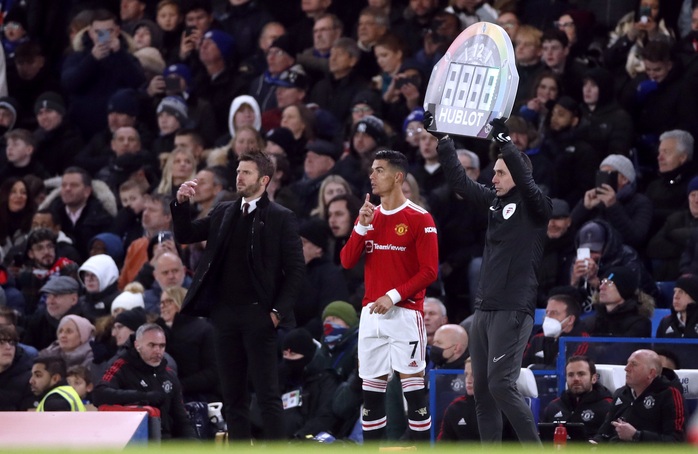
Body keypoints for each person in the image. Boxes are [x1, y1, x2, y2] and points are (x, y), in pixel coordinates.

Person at [427, 113, 550, 443]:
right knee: (482, 390)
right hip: (484, 309)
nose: (492, 177)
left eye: (499, 172)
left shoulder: (538, 207)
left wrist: (506, 145)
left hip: (513, 308)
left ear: (518, 174)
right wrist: (444, 142)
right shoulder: (496, 204)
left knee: (499, 385)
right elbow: (461, 185)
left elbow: (527, 183)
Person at [172, 150, 305, 441]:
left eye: (246, 172)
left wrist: (276, 314)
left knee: (268, 395)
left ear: (264, 180)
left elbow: (295, 271)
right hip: (224, 316)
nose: (239, 177)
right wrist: (180, 204)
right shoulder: (223, 211)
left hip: (260, 315)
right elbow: (186, 234)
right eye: (238, 171)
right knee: (233, 396)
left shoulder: (282, 218)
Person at [340, 149, 439, 441]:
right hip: (371, 316)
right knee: (371, 392)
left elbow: (429, 271)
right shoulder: (370, 217)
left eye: (379, 170)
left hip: (405, 315)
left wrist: (393, 296)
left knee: (413, 388)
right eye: (372, 170)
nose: (372, 176)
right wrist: (361, 225)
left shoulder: (420, 218)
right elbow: (346, 261)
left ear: (398, 177)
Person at [93, 324, 196, 439]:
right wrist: (143, 397)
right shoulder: (121, 366)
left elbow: (181, 420)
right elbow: (99, 394)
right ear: (137, 345)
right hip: (135, 440)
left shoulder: (169, 375)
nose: (158, 351)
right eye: (151, 345)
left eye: (162, 346)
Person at [592, 349, 685, 443]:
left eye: (634, 364)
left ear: (651, 373)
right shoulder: (621, 393)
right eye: (627, 363)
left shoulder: (669, 394)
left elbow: (676, 441)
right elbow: (604, 432)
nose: (626, 368)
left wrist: (636, 435)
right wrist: (594, 443)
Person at [542, 355, 612, 437]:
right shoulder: (553, 406)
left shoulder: (608, 406)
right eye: (571, 375)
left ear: (594, 378)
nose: (576, 379)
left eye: (581, 374)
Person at [522, 293, 590, 369]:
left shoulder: (583, 341)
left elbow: (568, 371)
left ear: (570, 320)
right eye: (547, 312)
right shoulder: (537, 339)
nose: (548, 317)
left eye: (554, 313)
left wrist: (532, 367)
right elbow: (521, 369)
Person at [0, 324, 34, 411]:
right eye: (1, 342)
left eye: (12, 343)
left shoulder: (29, 380)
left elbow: (32, 417)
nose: (8, 347)